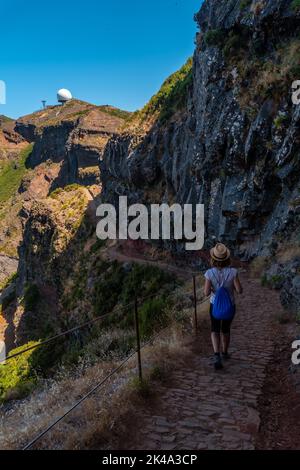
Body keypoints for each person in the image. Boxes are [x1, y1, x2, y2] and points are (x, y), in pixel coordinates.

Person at [204, 243, 243, 370]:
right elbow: (239, 290)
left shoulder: (209, 273)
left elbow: (206, 292)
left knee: (215, 329)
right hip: (229, 305)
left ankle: (217, 355)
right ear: (227, 258)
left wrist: (215, 289)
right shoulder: (233, 272)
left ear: (213, 258)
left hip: (214, 305)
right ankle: (225, 352)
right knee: (225, 329)